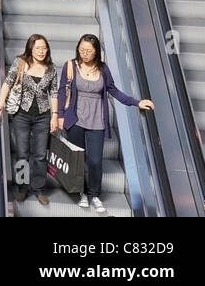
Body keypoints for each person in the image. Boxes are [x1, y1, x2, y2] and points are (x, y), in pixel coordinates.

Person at [57, 34, 154, 215]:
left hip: (97, 120)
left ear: (96, 52)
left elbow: (113, 91)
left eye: (89, 51)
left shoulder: (103, 69)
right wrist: (60, 115)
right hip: (75, 120)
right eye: (82, 50)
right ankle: (80, 192)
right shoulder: (70, 66)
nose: (84, 54)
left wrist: (136, 102)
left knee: (95, 161)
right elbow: (62, 91)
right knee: (77, 159)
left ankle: (94, 194)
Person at [0, 34, 59, 207]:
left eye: (44, 48)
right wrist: (1, 102)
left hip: (43, 115)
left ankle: (39, 189)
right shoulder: (20, 63)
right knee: (22, 153)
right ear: (30, 48)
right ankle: (22, 188)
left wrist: (55, 115)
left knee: (41, 155)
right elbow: (8, 83)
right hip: (21, 114)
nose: (41, 51)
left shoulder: (51, 69)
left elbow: (54, 93)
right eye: (37, 48)